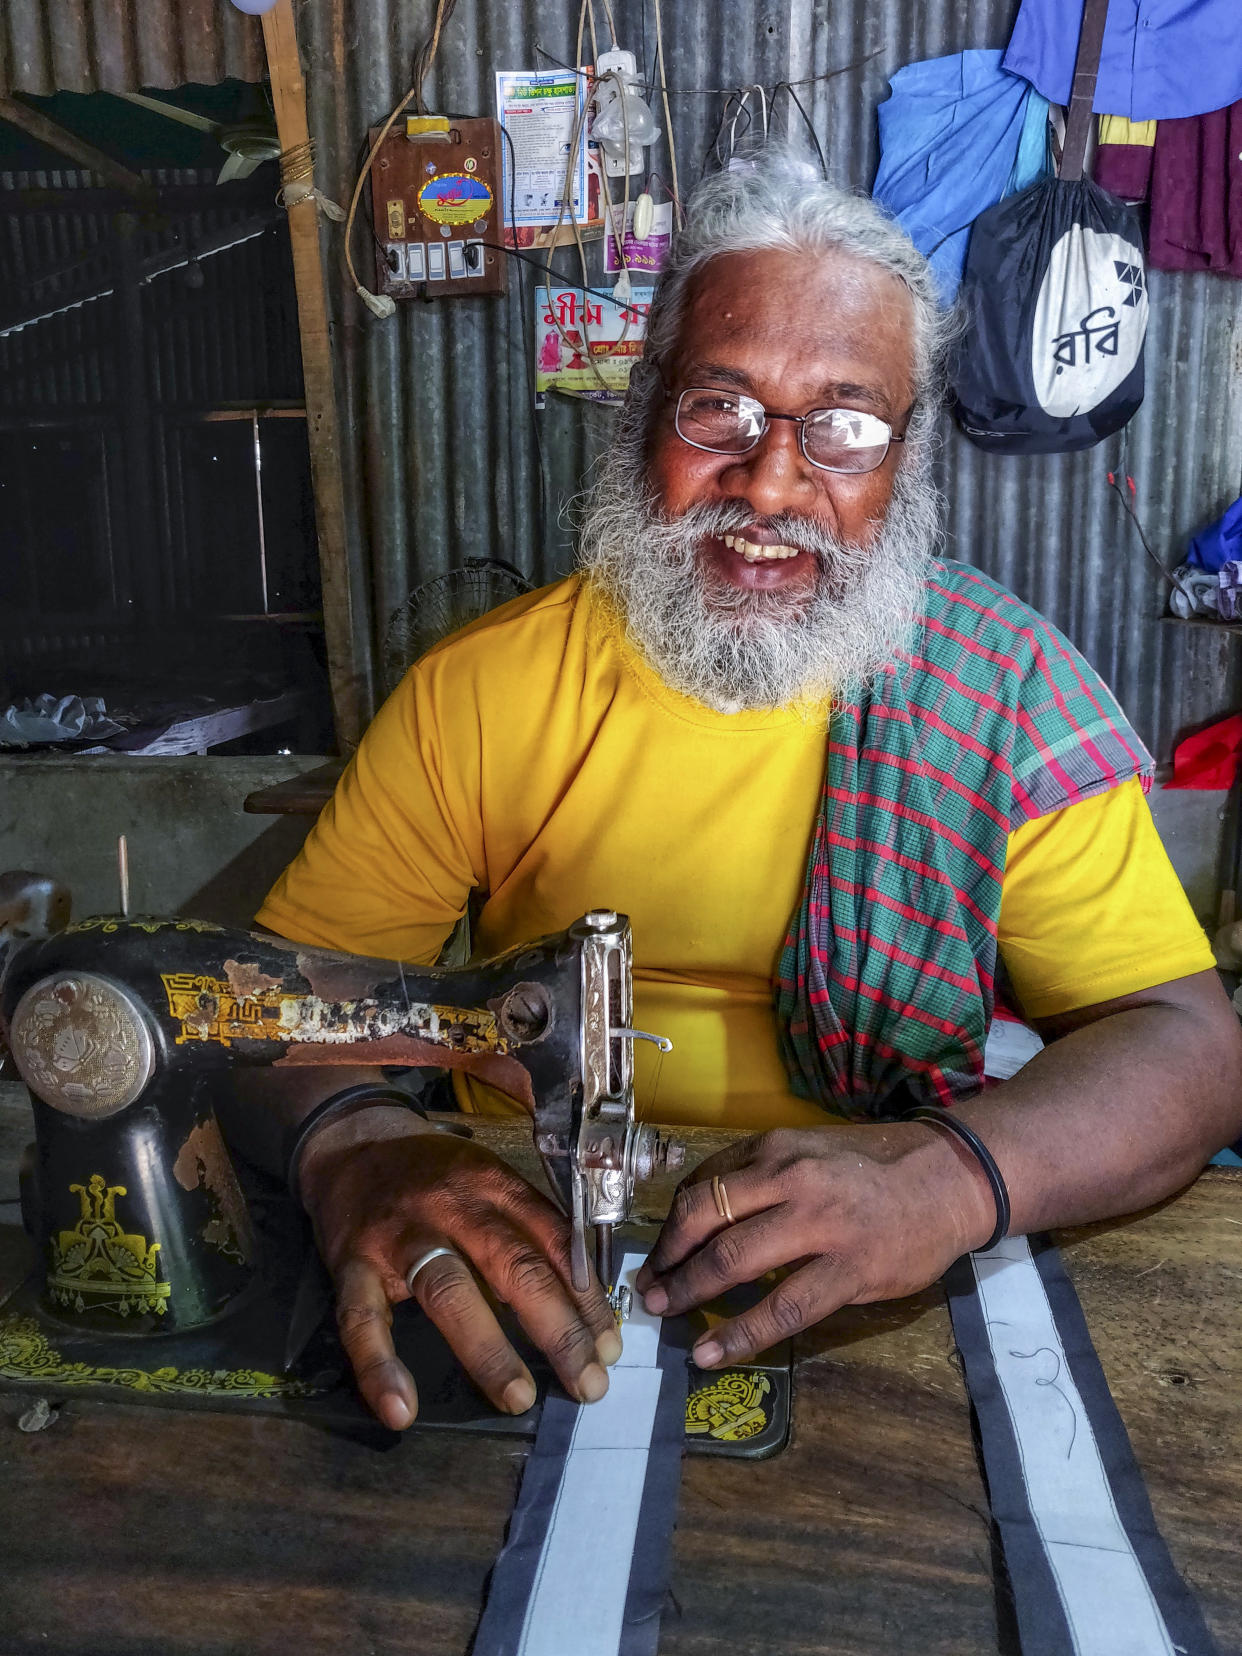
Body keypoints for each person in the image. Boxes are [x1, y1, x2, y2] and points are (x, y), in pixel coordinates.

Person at [250, 148, 1242, 1432]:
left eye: (845, 425)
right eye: (719, 409)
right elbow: (273, 1007)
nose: (773, 484)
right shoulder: (483, 694)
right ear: (641, 418)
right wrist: (356, 1148)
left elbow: (1188, 1049)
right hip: (523, 1217)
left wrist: (948, 1187)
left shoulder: (1000, 694)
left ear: (906, 465)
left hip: (889, 1245)